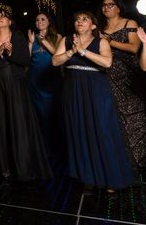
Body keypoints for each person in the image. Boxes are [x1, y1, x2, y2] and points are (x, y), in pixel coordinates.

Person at [52, 11, 135, 193]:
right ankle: (87, 176)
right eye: (77, 19)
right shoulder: (66, 40)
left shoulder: (101, 41)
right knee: (80, 131)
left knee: (102, 131)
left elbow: (107, 63)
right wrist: (72, 51)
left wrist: (83, 51)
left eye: (84, 19)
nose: (79, 22)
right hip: (73, 91)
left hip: (96, 90)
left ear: (93, 25)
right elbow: (55, 61)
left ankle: (111, 178)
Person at [0, 9, 51, 181]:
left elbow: (25, 60)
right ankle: (3, 166)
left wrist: (10, 53)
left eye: (2, 16)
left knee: (17, 123)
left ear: (10, 21)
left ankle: (22, 165)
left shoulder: (17, 37)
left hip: (16, 85)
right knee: (0, 123)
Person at [99, 0, 146, 168]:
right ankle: (124, 161)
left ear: (118, 8)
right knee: (116, 116)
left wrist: (109, 41)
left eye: (110, 5)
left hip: (129, 73)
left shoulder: (130, 24)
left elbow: (134, 47)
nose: (106, 8)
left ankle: (141, 159)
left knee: (134, 113)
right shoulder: (101, 28)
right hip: (109, 75)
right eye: (104, 5)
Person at [27, 12, 64, 158]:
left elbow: (57, 55)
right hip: (35, 80)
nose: (39, 21)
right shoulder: (33, 38)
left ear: (49, 22)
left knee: (53, 113)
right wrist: (30, 43)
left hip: (51, 79)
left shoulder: (58, 37)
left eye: (42, 19)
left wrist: (45, 41)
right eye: (37, 20)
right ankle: (43, 148)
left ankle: (57, 148)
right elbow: (27, 59)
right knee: (40, 115)